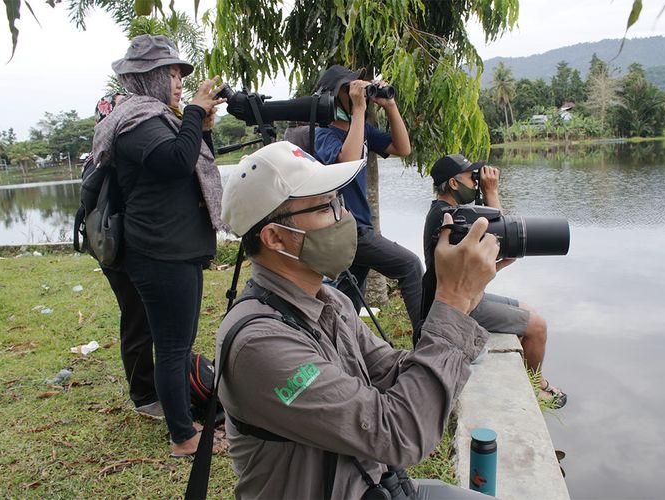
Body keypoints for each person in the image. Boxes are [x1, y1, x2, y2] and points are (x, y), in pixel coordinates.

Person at [216, 140, 505, 499]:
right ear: (275, 237)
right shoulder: (259, 345)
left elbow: (393, 372)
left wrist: (468, 291)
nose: (345, 216)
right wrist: (453, 299)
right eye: (328, 207)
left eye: (341, 200)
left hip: (375, 486)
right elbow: (399, 433)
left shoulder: (330, 300)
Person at [92, 34, 229, 457]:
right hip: (159, 251)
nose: (177, 81)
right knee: (172, 348)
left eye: (179, 73)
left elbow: (192, 158)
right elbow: (175, 162)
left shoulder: (159, 117)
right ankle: (183, 437)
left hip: (174, 248)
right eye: (169, 73)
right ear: (146, 77)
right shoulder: (136, 120)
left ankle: (182, 424)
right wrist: (192, 112)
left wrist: (200, 126)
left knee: (178, 343)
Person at [422, 154, 567, 408]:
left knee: (529, 311)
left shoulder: (445, 212)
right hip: (459, 305)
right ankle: (534, 389)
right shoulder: (454, 218)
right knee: (538, 327)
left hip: (466, 294)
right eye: (472, 178)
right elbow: (500, 242)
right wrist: (492, 191)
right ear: (454, 184)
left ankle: (532, 378)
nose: (477, 183)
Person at [313, 65, 424, 331]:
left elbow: (402, 148)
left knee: (348, 301)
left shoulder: (360, 130)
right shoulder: (322, 134)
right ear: (332, 97)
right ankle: (427, 343)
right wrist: (360, 109)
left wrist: (390, 106)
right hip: (344, 230)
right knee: (409, 266)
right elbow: (348, 161)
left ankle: (337, 348)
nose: (355, 93)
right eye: (347, 89)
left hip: (359, 228)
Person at [90, 92, 161, 419]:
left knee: (147, 317)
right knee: (137, 319)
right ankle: (144, 395)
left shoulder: (102, 155)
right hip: (120, 250)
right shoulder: (108, 156)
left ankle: (155, 385)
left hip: (116, 247)